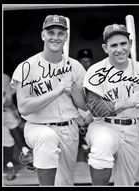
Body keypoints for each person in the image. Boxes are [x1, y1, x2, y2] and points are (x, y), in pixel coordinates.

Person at [10, 15, 87, 186]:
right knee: (47, 137)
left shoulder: (75, 66)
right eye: (50, 32)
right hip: (38, 127)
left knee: (66, 182)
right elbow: (23, 107)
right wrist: (58, 90)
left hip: (69, 128)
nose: (55, 37)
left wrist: (73, 87)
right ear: (42, 35)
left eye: (60, 33)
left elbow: (83, 105)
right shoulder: (27, 67)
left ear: (66, 37)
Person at [83, 24, 139, 185]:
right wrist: (125, 103)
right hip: (105, 125)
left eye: (123, 43)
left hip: (133, 128)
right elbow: (94, 107)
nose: (119, 49)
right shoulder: (96, 71)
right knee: (102, 146)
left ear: (130, 43)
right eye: (113, 45)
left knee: (126, 182)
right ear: (105, 48)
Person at [3, 73, 33, 180]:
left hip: (5, 112)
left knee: (13, 130)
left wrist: (17, 115)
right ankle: (10, 165)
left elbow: (8, 101)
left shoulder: (4, 78)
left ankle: (26, 155)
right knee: (8, 138)